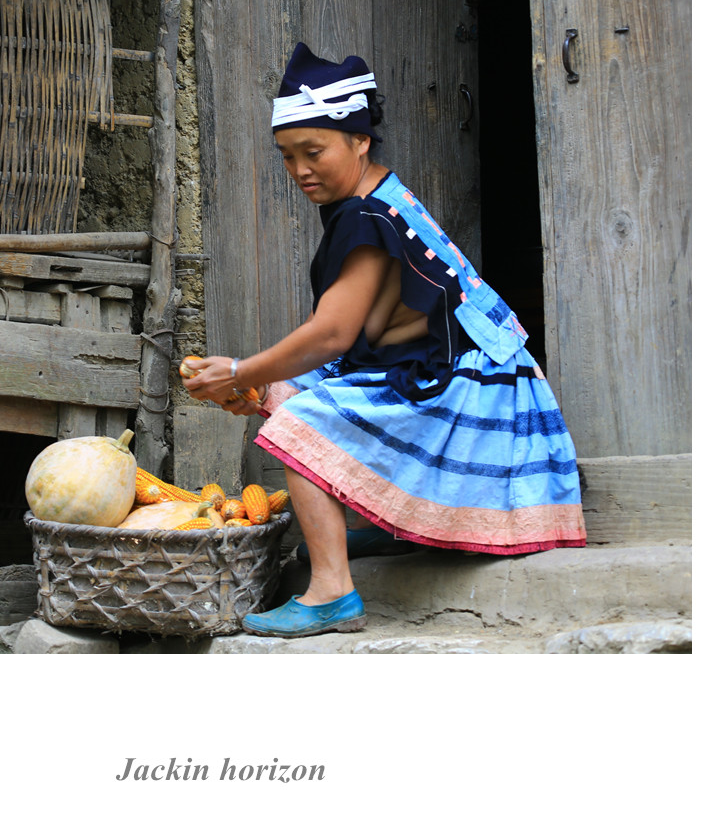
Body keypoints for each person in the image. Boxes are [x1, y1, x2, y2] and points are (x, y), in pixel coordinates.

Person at [182, 43, 587, 638]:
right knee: (290, 392)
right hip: (455, 379)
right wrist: (266, 381)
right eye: (287, 156)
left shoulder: (366, 217)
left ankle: (331, 593)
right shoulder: (377, 201)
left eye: (314, 152)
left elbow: (332, 334)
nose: (300, 170)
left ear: (360, 140)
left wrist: (243, 372)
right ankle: (388, 524)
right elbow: (366, 342)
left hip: (478, 400)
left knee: (301, 422)